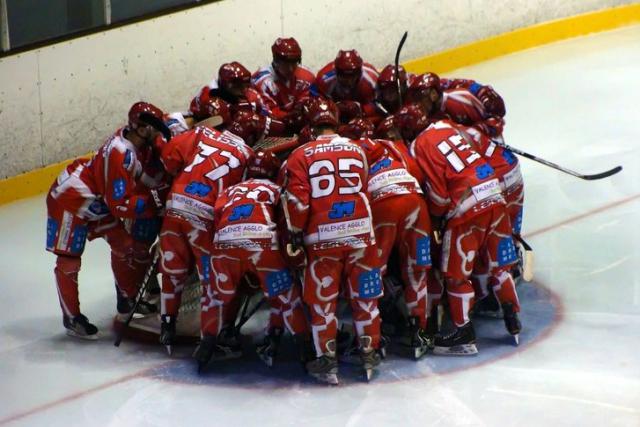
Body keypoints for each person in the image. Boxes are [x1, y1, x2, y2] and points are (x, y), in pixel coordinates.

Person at [46, 102, 169, 339]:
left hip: (96, 200)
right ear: (142, 128)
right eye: (154, 129)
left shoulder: (136, 144)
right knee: (69, 260)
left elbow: (143, 179)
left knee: (125, 245)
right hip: (71, 199)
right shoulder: (120, 154)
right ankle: (71, 317)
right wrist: (156, 203)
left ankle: (126, 299)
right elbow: (120, 205)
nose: (158, 134)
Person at [281, 99, 383, 384]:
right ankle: (369, 351)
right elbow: (363, 187)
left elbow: (298, 202)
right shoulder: (357, 149)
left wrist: (296, 235)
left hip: (323, 237)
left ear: (311, 126)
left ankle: (327, 359)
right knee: (365, 295)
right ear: (336, 123)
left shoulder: (300, 154)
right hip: (361, 232)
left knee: (322, 301)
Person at [410, 117, 520, 355]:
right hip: (494, 192)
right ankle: (512, 317)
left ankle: (463, 333)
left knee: (456, 275)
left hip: (467, 207)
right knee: (499, 265)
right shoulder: (447, 127)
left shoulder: (419, 144)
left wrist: (437, 218)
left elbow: (439, 196)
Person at [154, 120, 254, 362]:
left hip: (176, 205)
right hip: (205, 216)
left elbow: (168, 157)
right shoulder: (248, 155)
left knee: (172, 271)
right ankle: (209, 339)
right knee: (211, 281)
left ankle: (167, 327)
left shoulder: (202, 132)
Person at [341, 119, 433, 359]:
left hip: (382, 205)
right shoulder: (392, 145)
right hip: (415, 199)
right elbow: (418, 174)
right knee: (416, 271)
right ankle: (419, 331)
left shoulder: (345, 151)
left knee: (373, 272)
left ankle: (373, 338)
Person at [211, 150, 310, 367]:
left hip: (224, 244)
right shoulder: (276, 189)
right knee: (283, 295)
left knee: (219, 295)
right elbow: (289, 220)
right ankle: (304, 349)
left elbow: (216, 219)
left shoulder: (228, 191)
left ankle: (211, 342)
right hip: (262, 244)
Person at [251, 37, 315, 133]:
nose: (290, 69)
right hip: (273, 127)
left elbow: (308, 103)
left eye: (294, 63)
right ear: (275, 60)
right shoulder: (261, 81)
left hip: (300, 125)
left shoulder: (307, 76)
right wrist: (289, 117)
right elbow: (267, 113)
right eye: (285, 63)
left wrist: (302, 110)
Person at [314, 49, 380, 123]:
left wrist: (361, 109)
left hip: (362, 118)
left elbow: (380, 105)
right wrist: (332, 107)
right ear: (337, 72)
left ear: (359, 72)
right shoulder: (324, 79)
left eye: (352, 76)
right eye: (344, 76)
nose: (349, 81)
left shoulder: (372, 79)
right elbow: (316, 100)